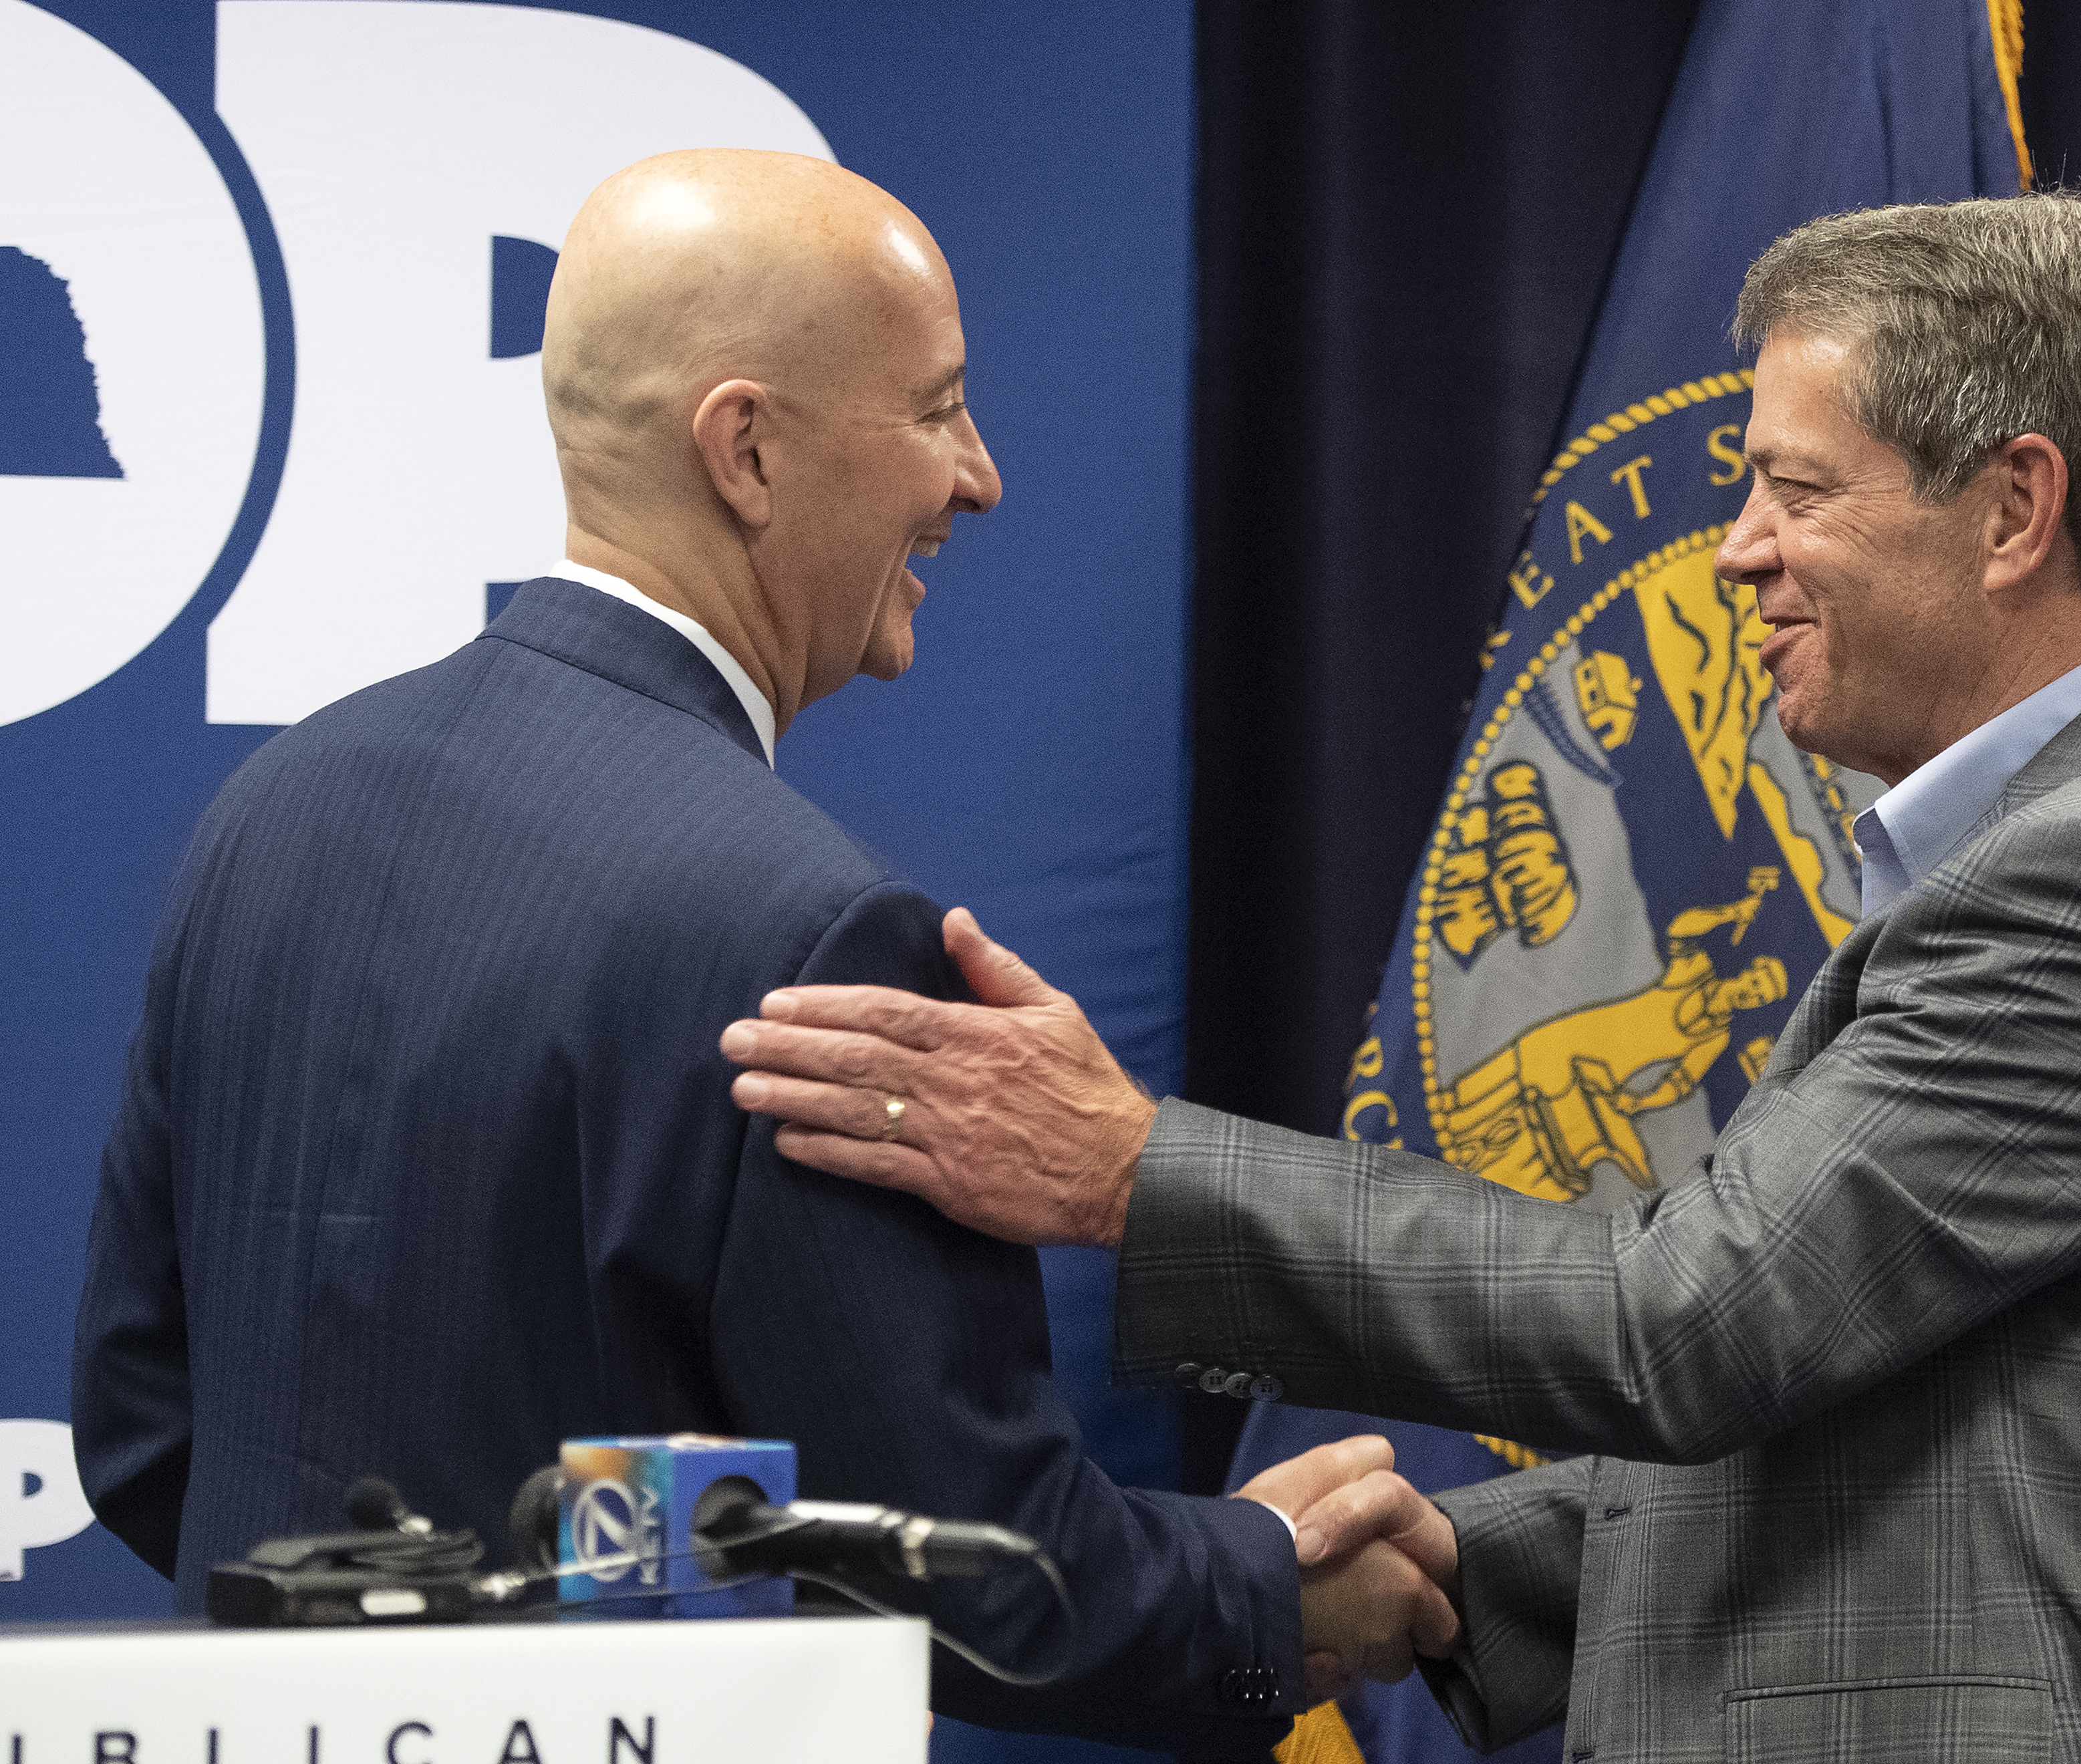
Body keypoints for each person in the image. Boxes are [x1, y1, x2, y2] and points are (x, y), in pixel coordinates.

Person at [717, 192, 2081, 1761]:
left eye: (1797, 492)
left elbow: (1688, 1323)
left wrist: (1131, 1177)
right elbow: (1902, 1441)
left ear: (2015, 509)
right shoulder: (2061, 857)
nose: (1738, 552)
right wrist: (1459, 1560)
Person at [71, 149, 1453, 1753]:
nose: (981, 476)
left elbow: (142, 1424)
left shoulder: (271, 813)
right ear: (746, 450)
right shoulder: (817, 937)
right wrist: (1276, 1597)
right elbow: (972, 1580)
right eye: (938, 408)